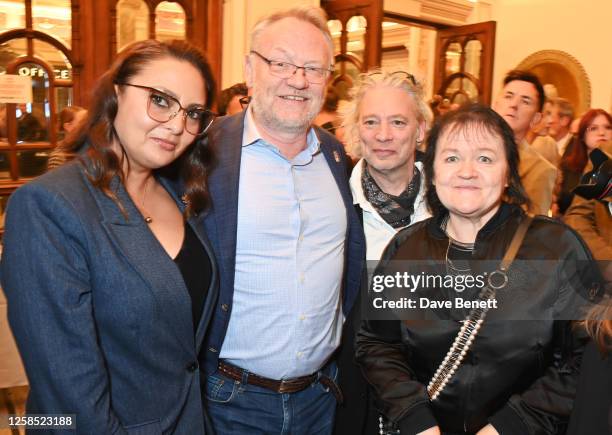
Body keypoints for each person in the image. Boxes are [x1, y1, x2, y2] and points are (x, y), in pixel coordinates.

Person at [1, 39, 219, 434]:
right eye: (160, 100)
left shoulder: (179, 193)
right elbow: (67, 390)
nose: (176, 125)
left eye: (192, 113)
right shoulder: (49, 205)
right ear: (116, 92)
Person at [356, 104, 602, 435]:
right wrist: (415, 417)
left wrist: (512, 424)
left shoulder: (556, 247)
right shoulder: (406, 247)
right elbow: (376, 343)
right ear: (433, 170)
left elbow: (589, 356)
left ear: (509, 174)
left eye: (485, 158)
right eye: (452, 158)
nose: (467, 171)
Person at [201, 7, 365, 434]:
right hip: (229, 400)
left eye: (313, 68)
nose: (298, 79)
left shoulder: (336, 159)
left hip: (321, 398)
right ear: (250, 70)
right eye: (281, 63)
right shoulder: (203, 153)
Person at [492, 70, 557, 215]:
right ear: (495, 106)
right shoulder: (468, 150)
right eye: (508, 96)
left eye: (525, 101)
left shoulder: (541, 170)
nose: (514, 105)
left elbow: (531, 229)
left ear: (535, 119)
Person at [555, 109, 612, 215]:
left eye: (608, 127)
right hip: (568, 226)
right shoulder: (567, 165)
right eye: (593, 128)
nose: (602, 133)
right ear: (582, 135)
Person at [47, 105, 89, 170]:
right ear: (68, 126)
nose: (88, 126)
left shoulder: (89, 149)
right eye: (82, 123)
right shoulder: (58, 157)